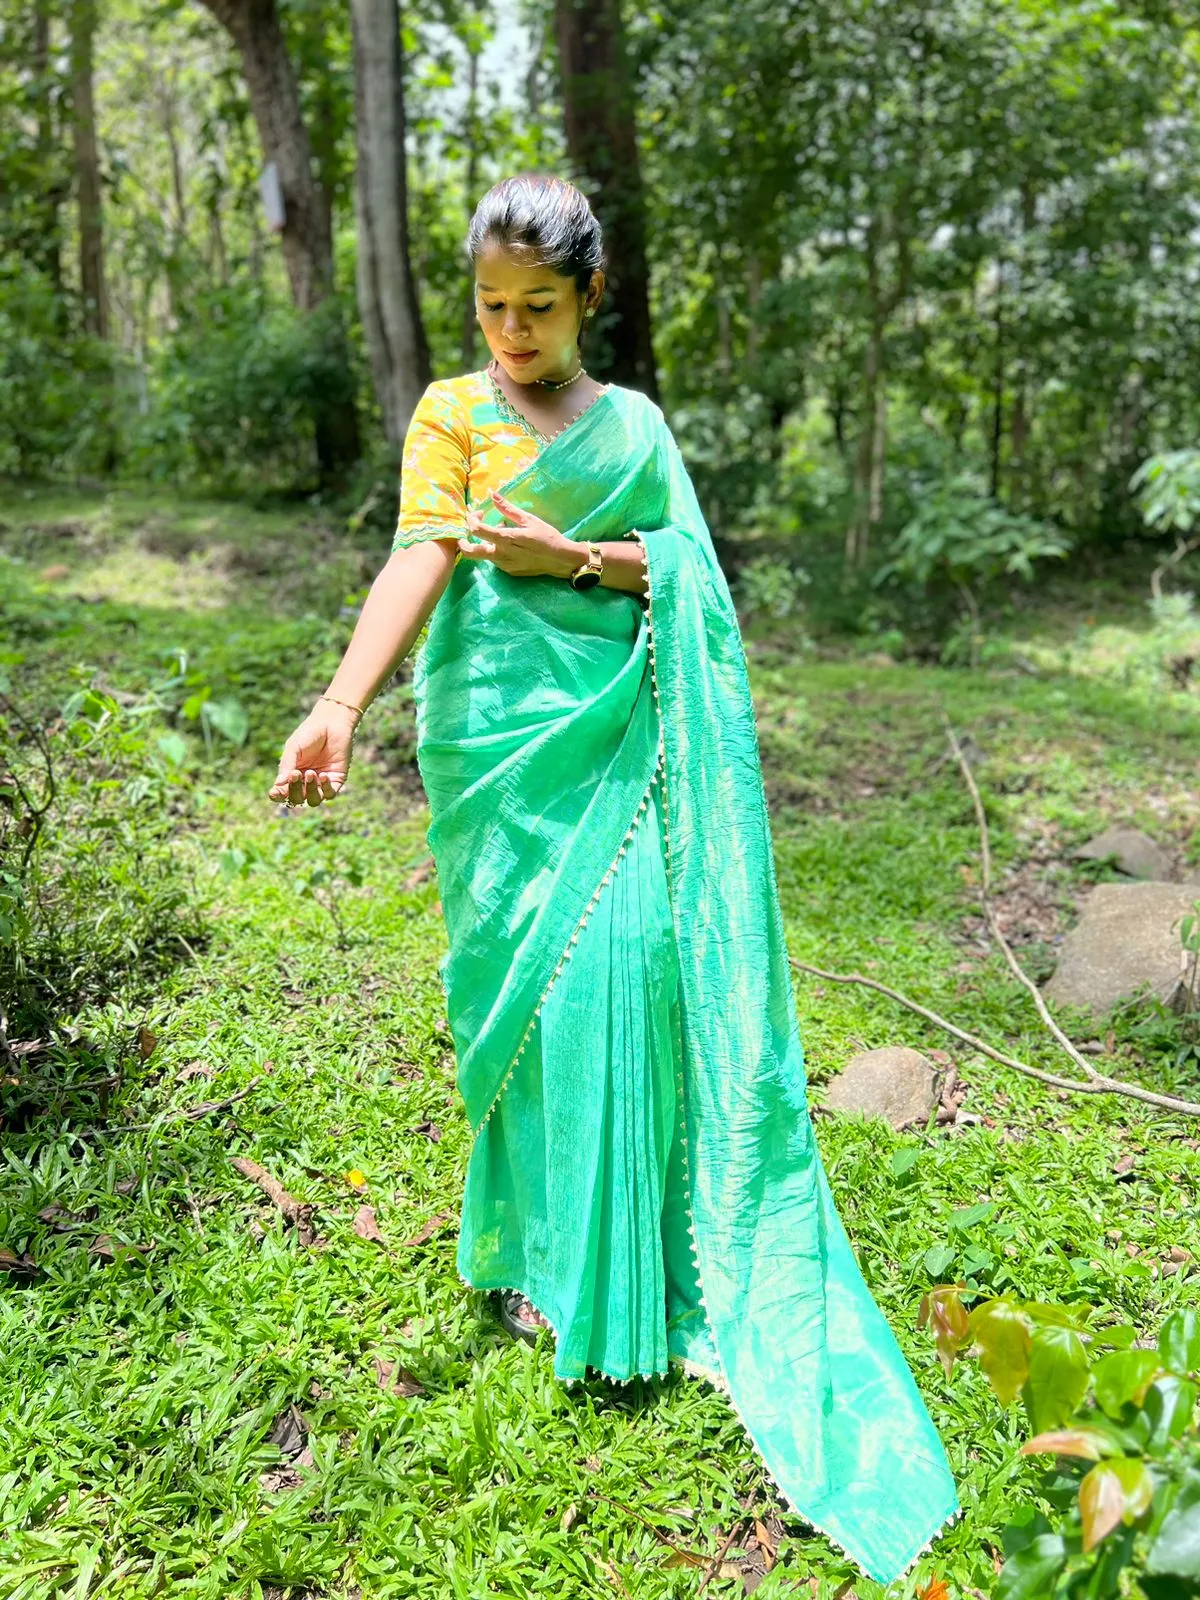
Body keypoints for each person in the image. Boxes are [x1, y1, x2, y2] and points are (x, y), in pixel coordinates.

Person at [268, 174, 959, 1586]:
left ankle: (629, 1269)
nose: (510, 331)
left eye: (537, 308)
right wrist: (340, 702)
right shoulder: (451, 417)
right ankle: (536, 1257)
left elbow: (685, 576)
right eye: (489, 307)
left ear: (589, 298)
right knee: (521, 993)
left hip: (615, 737)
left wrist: (564, 556)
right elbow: (417, 555)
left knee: (627, 966)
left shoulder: (631, 426)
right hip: (494, 746)